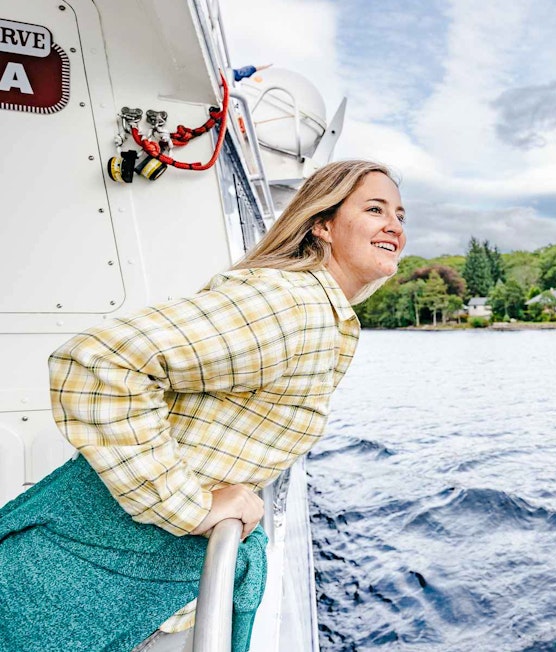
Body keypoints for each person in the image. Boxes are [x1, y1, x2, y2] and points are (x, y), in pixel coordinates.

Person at [0, 160, 406, 652]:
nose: (394, 226)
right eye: (375, 209)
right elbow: (98, 362)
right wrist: (190, 509)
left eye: (400, 215)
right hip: (80, 576)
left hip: (131, 575)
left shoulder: (327, 316)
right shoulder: (291, 305)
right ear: (322, 224)